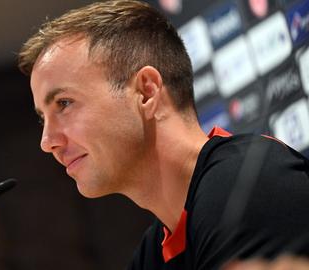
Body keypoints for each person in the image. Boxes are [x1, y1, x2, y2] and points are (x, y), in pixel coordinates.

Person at [17, 0, 309, 269]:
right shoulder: (153, 253)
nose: (47, 142)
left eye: (64, 104)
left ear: (146, 92)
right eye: (43, 117)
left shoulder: (248, 188)